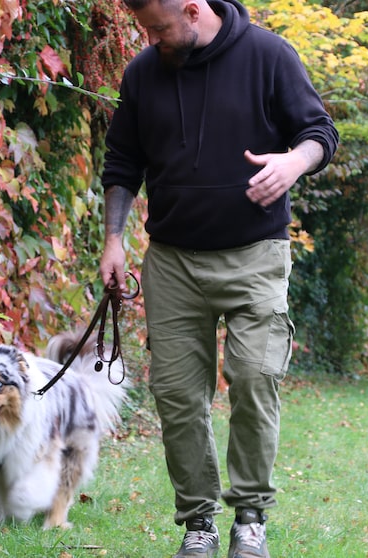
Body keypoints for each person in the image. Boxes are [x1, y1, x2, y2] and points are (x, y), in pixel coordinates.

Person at [97, 0, 338, 556]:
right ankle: (199, 524)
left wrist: (291, 164)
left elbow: (320, 133)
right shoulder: (143, 73)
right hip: (174, 261)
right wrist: (114, 239)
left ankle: (250, 517)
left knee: (255, 375)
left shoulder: (269, 56)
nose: (151, 40)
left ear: (193, 10)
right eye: (145, 31)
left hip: (255, 254)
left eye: (158, 29)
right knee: (177, 395)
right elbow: (123, 163)